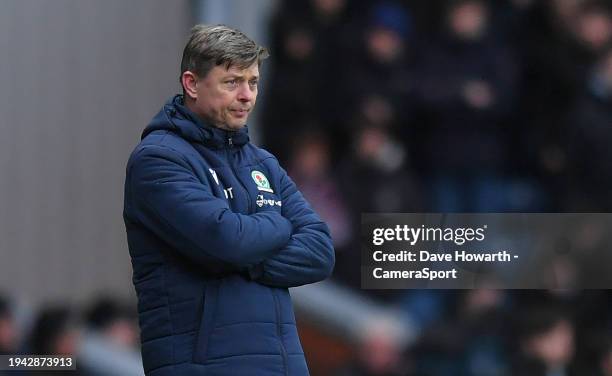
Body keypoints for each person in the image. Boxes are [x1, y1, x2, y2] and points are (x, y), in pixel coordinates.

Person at [123, 24, 335, 376]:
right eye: (232, 82)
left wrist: (247, 256)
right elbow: (227, 240)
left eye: (252, 82)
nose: (247, 96)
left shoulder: (262, 162)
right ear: (192, 84)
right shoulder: (158, 159)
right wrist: (278, 225)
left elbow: (320, 252)